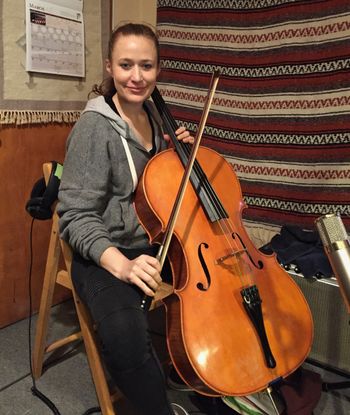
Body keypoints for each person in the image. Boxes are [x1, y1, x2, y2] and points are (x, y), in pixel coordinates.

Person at [57, 22, 193, 415]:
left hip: (154, 239)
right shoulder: (94, 128)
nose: (137, 77)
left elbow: (155, 191)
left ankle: (215, 382)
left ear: (158, 69)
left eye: (147, 66)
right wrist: (122, 265)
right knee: (123, 334)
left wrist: (178, 157)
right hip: (105, 251)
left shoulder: (155, 115)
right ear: (110, 67)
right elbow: (76, 215)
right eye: (126, 65)